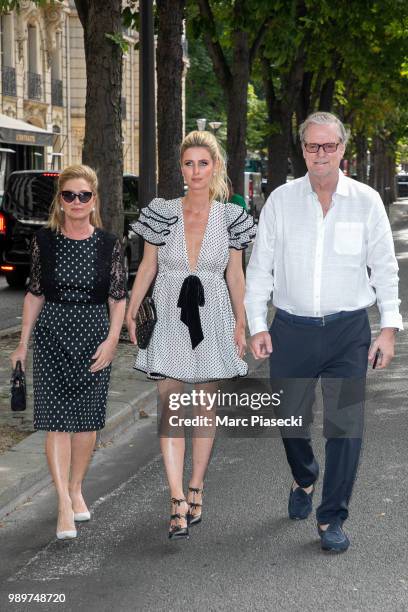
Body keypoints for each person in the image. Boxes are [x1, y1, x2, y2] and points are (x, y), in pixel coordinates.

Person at [245, 112, 403, 552]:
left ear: (342, 149)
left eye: (329, 146)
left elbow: (385, 270)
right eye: (313, 146)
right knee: (290, 421)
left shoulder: (367, 201)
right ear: (303, 150)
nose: (321, 154)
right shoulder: (280, 201)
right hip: (291, 330)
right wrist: (258, 323)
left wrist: (387, 329)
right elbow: (260, 269)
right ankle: (304, 476)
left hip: (348, 331)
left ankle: (331, 517)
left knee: (345, 427)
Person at [126, 130, 256, 540]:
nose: (196, 171)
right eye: (188, 163)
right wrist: (132, 310)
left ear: (215, 166)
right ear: (180, 168)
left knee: (202, 405)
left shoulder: (231, 216)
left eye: (203, 163)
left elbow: (235, 273)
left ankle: (196, 485)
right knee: (170, 406)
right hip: (168, 314)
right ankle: (177, 499)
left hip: (213, 314)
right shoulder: (161, 212)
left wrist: (241, 320)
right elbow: (147, 267)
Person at [10, 165, 127, 540]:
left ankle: (77, 486)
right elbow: (35, 292)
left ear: (94, 201)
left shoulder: (109, 244)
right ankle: (63, 502)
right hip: (52, 336)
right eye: (69, 195)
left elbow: (117, 297)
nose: (77, 202)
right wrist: (23, 344)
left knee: (87, 422)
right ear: (60, 201)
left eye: (84, 196)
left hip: (94, 336)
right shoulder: (44, 241)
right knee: (56, 421)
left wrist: (111, 340)